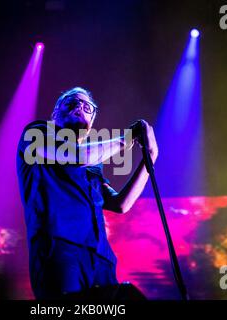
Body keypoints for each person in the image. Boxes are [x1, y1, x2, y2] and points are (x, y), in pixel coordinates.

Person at [16, 87, 158, 299]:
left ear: (92, 121)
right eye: (71, 103)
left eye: (87, 107)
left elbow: (121, 204)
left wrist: (150, 160)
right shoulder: (36, 134)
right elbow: (75, 155)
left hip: (101, 258)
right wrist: (125, 140)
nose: (79, 108)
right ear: (55, 113)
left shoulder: (93, 166)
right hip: (59, 250)